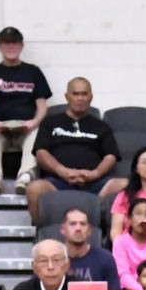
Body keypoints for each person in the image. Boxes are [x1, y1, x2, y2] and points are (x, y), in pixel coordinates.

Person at [25, 78, 121, 219]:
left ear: (91, 97)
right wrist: (62, 171)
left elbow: (111, 156)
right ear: (67, 97)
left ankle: (107, 232)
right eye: (75, 94)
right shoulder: (50, 122)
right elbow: (41, 152)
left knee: (125, 186)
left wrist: (94, 174)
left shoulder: (102, 127)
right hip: (57, 182)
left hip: (95, 184)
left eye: (84, 94)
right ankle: (42, 234)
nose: (80, 98)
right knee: (34, 189)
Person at [0, 26, 50, 196]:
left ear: (21, 46)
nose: (11, 47)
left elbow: (42, 105)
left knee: (37, 135)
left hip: (26, 126)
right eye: (6, 43)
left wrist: (35, 122)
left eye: (15, 43)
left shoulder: (33, 72)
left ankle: (25, 178)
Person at [57, 205, 121, 290]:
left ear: (89, 230)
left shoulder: (105, 257)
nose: (78, 228)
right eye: (73, 224)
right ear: (63, 229)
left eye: (82, 224)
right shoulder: (54, 259)